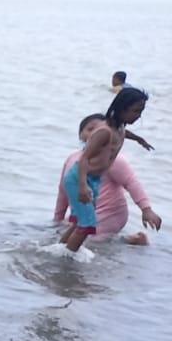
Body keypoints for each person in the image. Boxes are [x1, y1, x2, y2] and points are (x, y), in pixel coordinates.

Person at [63, 87, 152, 254]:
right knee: (88, 224)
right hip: (79, 178)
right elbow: (84, 159)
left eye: (141, 111)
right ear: (122, 108)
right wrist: (82, 186)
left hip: (93, 180)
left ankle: (60, 250)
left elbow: (125, 133)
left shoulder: (119, 128)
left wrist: (139, 139)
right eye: (135, 111)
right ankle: (66, 259)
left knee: (79, 222)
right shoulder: (104, 132)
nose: (138, 115)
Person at [57, 112, 161, 246]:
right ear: (81, 135)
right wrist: (57, 219)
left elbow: (132, 182)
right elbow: (63, 192)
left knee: (89, 239)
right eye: (90, 129)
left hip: (110, 212)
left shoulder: (113, 160)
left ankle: (127, 241)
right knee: (65, 230)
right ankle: (128, 239)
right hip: (85, 209)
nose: (97, 133)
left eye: (101, 130)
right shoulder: (72, 159)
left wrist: (146, 209)